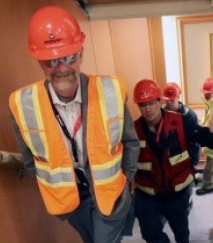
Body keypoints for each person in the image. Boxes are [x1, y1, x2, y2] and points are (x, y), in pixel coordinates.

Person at [8, 6, 139, 243]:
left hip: (111, 194)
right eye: (51, 61)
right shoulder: (22, 104)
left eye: (69, 57)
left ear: (81, 53)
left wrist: (127, 179)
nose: (62, 68)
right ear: (39, 61)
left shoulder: (110, 91)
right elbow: (30, 162)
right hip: (71, 201)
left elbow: (130, 141)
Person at [132, 79, 213, 243]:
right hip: (148, 194)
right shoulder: (133, 130)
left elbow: (201, 134)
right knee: (149, 233)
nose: (147, 109)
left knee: (181, 231)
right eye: (142, 105)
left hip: (177, 191)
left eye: (151, 103)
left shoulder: (180, 121)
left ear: (159, 101)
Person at [161, 83, 201, 167]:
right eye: (167, 100)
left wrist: (193, 162)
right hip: (165, 159)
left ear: (178, 97)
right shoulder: (160, 113)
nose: (169, 103)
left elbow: (195, 142)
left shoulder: (189, 116)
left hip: (185, 160)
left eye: (172, 100)